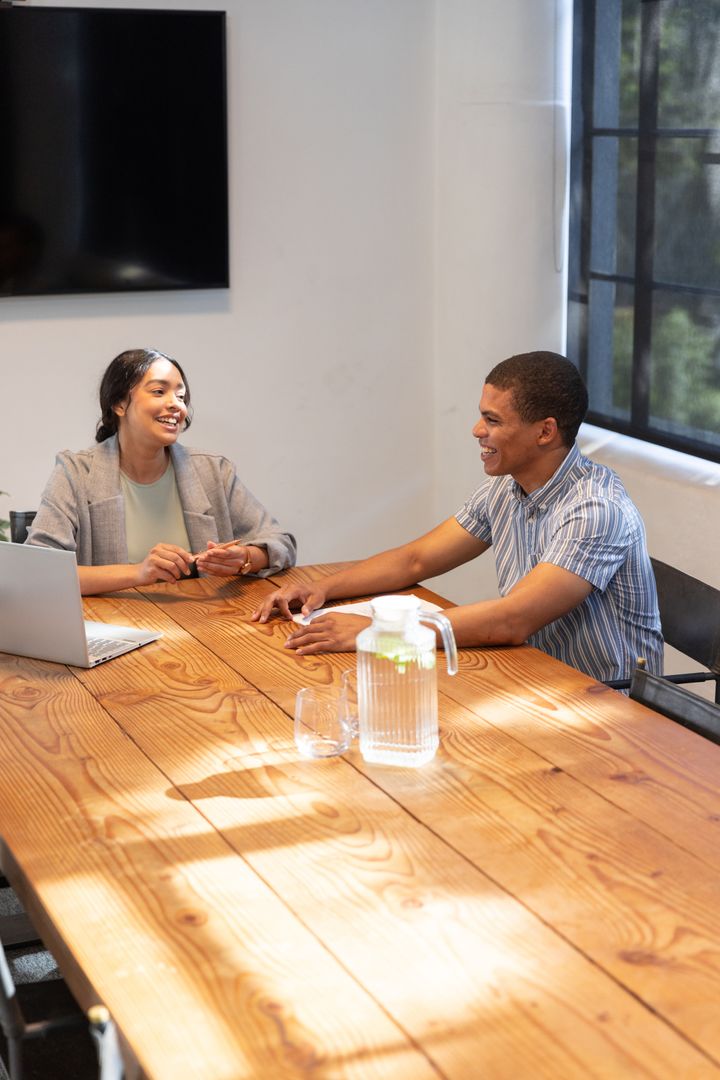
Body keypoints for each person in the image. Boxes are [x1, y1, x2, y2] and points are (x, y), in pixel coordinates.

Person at [253, 351, 663, 683]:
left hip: (604, 703)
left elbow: (514, 619)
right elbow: (417, 559)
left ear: (545, 432)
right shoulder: (507, 486)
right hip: (529, 675)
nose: (475, 430)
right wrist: (320, 589)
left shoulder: (596, 509)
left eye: (493, 420)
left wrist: (379, 634)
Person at [28, 348, 296, 595]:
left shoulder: (213, 471)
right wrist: (139, 572)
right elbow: (39, 573)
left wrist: (245, 559)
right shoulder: (75, 473)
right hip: (112, 629)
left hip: (207, 623)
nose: (176, 405)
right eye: (159, 392)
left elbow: (281, 543)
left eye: (181, 397)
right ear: (119, 404)